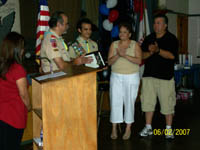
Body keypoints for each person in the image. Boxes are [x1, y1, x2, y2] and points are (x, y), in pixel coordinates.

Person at [139, 14, 178, 139]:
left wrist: (158, 50)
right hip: (149, 76)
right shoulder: (149, 38)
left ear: (165, 25)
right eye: (155, 23)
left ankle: (168, 130)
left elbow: (172, 56)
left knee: (167, 104)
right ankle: (148, 127)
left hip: (165, 77)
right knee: (147, 103)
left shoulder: (171, 38)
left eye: (159, 23)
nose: (156, 25)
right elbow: (141, 56)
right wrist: (150, 52)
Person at [108, 22, 142, 140]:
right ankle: (114, 127)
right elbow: (109, 62)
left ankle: (128, 128)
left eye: (125, 32)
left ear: (130, 34)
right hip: (116, 76)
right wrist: (118, 55)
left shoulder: (135, 45)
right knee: (115, 102)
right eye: (120, 32)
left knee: (129, 103)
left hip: (131, 77)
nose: (122, 34)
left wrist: (125, 55)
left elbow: (139, 61)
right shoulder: (114, 44)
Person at [0, 32, 31, 150]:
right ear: (18, 49)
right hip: (13, 116)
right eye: (22, 48)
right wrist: (29, 107)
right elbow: (23, 94)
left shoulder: (2, 65)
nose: (23, 51)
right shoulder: (18, 68)